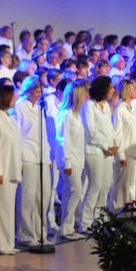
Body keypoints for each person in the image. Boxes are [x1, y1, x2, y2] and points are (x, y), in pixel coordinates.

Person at [16, 75, 53, 247]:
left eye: (40, 90)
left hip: (41, 157)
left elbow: (43, 134)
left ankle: (40, 233)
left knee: (43, 197)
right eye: (36, 90)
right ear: (28, 90)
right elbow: (17, 135)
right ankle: (26, 234)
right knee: (28, 197)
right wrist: (19, 160)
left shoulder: (39, 108)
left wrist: (47, 156)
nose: (39, 93)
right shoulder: (19, 107)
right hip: (27, 156)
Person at [0, 83, 22, 255]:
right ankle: (1, 244)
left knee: (9, 209)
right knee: (2, 209)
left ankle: (9, 242)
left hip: (12, 169)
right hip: (3, 171)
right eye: (12, 96)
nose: (15, 99)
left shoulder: (10, 118)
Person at [81, 76, 117, 230]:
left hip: (107, 151)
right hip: (94, 150)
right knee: (94, 186)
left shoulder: (106, 106)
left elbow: (109, 128)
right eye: (111, 87)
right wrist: (105, 146)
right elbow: (90, 130)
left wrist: (113, 145)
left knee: (105, 186)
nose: (113, 90)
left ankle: (99, 218)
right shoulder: (89, 105)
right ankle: (85, 222)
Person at [56, 80, 88, 239]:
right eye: (83, 94)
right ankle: (66, 227)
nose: (86, 96)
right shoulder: (66, 115)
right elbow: (63, 139)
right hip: (70, 160)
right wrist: (67, 161)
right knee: (74, 191)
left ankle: (69, 225)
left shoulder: (78, 115)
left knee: (74, 192)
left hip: (78, 159)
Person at [113, 79, 136, 209]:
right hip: (125, 153)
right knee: (122, 185)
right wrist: (121, 154)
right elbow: (117, 133)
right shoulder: (120, 109)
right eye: (134, 89)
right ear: (127, 91)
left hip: (132, 152)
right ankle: (118, 211)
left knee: (130, 185)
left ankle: (129, 211)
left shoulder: (131, 109)